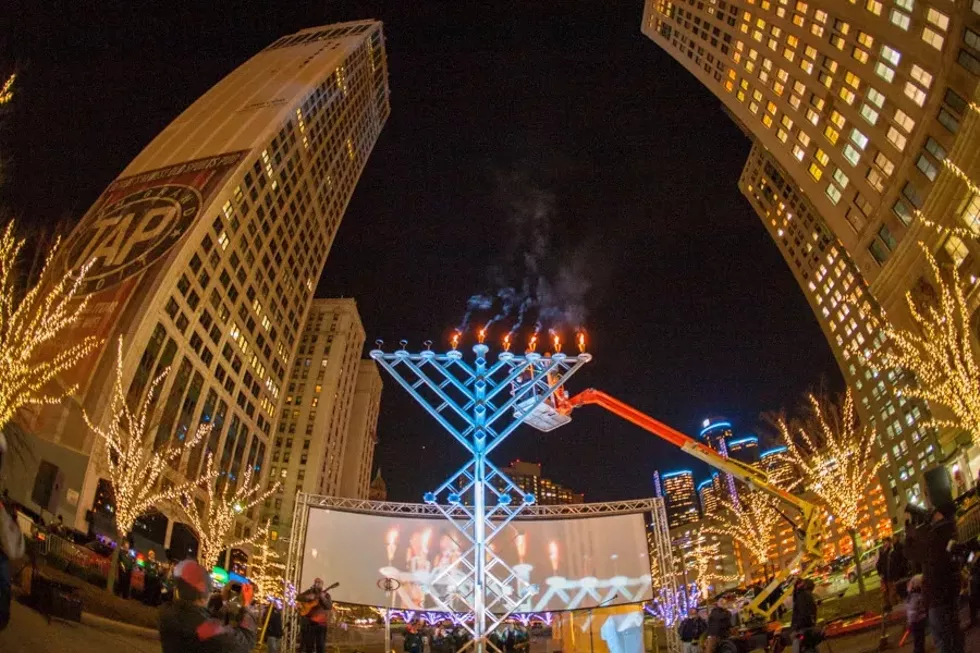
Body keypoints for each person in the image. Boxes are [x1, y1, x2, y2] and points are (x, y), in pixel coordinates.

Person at [158, 559, 256, 653]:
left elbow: (204, 620)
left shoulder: (166, 613)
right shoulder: (206, 630)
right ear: (202, 597)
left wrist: (224, 603)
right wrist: (247, 606)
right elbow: (246, 643)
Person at [905, 505, 964, 653]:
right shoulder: (948, 532)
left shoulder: (935, 536)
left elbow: (911, 552)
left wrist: (910, 532)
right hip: (948, 593)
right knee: (953, 634)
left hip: (937, 597)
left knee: (942, 639)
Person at [297, 577, 333, 653]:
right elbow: (298, 597)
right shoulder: (309, 592)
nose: (317, 584)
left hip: (321, 624)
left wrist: (323, 598)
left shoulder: (326, 595)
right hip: (309, 623)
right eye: (316, 582)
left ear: (322, 585)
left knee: (320, 646)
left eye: (319, 582)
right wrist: (308, 597)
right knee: (309, 646)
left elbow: (329, 606)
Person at [790, 579, 818, 653]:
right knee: (811, 644)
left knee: (795, 639)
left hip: (802, 628)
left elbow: (803, 614)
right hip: (809, 626)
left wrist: (796, 628)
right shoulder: (808, 596)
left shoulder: (801, 596)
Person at [906, 575, 928, 653]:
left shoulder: (913, 597)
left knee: (918, 637)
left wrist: (910, 621)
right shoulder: (918, 596)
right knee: (919, 637)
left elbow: (912, 610)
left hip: (916, 620)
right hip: (918, 619)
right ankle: (919, 650)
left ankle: (918, 650)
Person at [876, 539, 895, 608]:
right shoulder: (882, 552)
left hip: (890, 575)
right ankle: (887, 605)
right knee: (885, 592)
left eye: (886, 542)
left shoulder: (891, 551)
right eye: (884, 542)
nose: (885, 544)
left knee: (891, 591)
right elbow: (879, 563)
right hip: (884, 576)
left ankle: (892, 605)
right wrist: (880, 573)